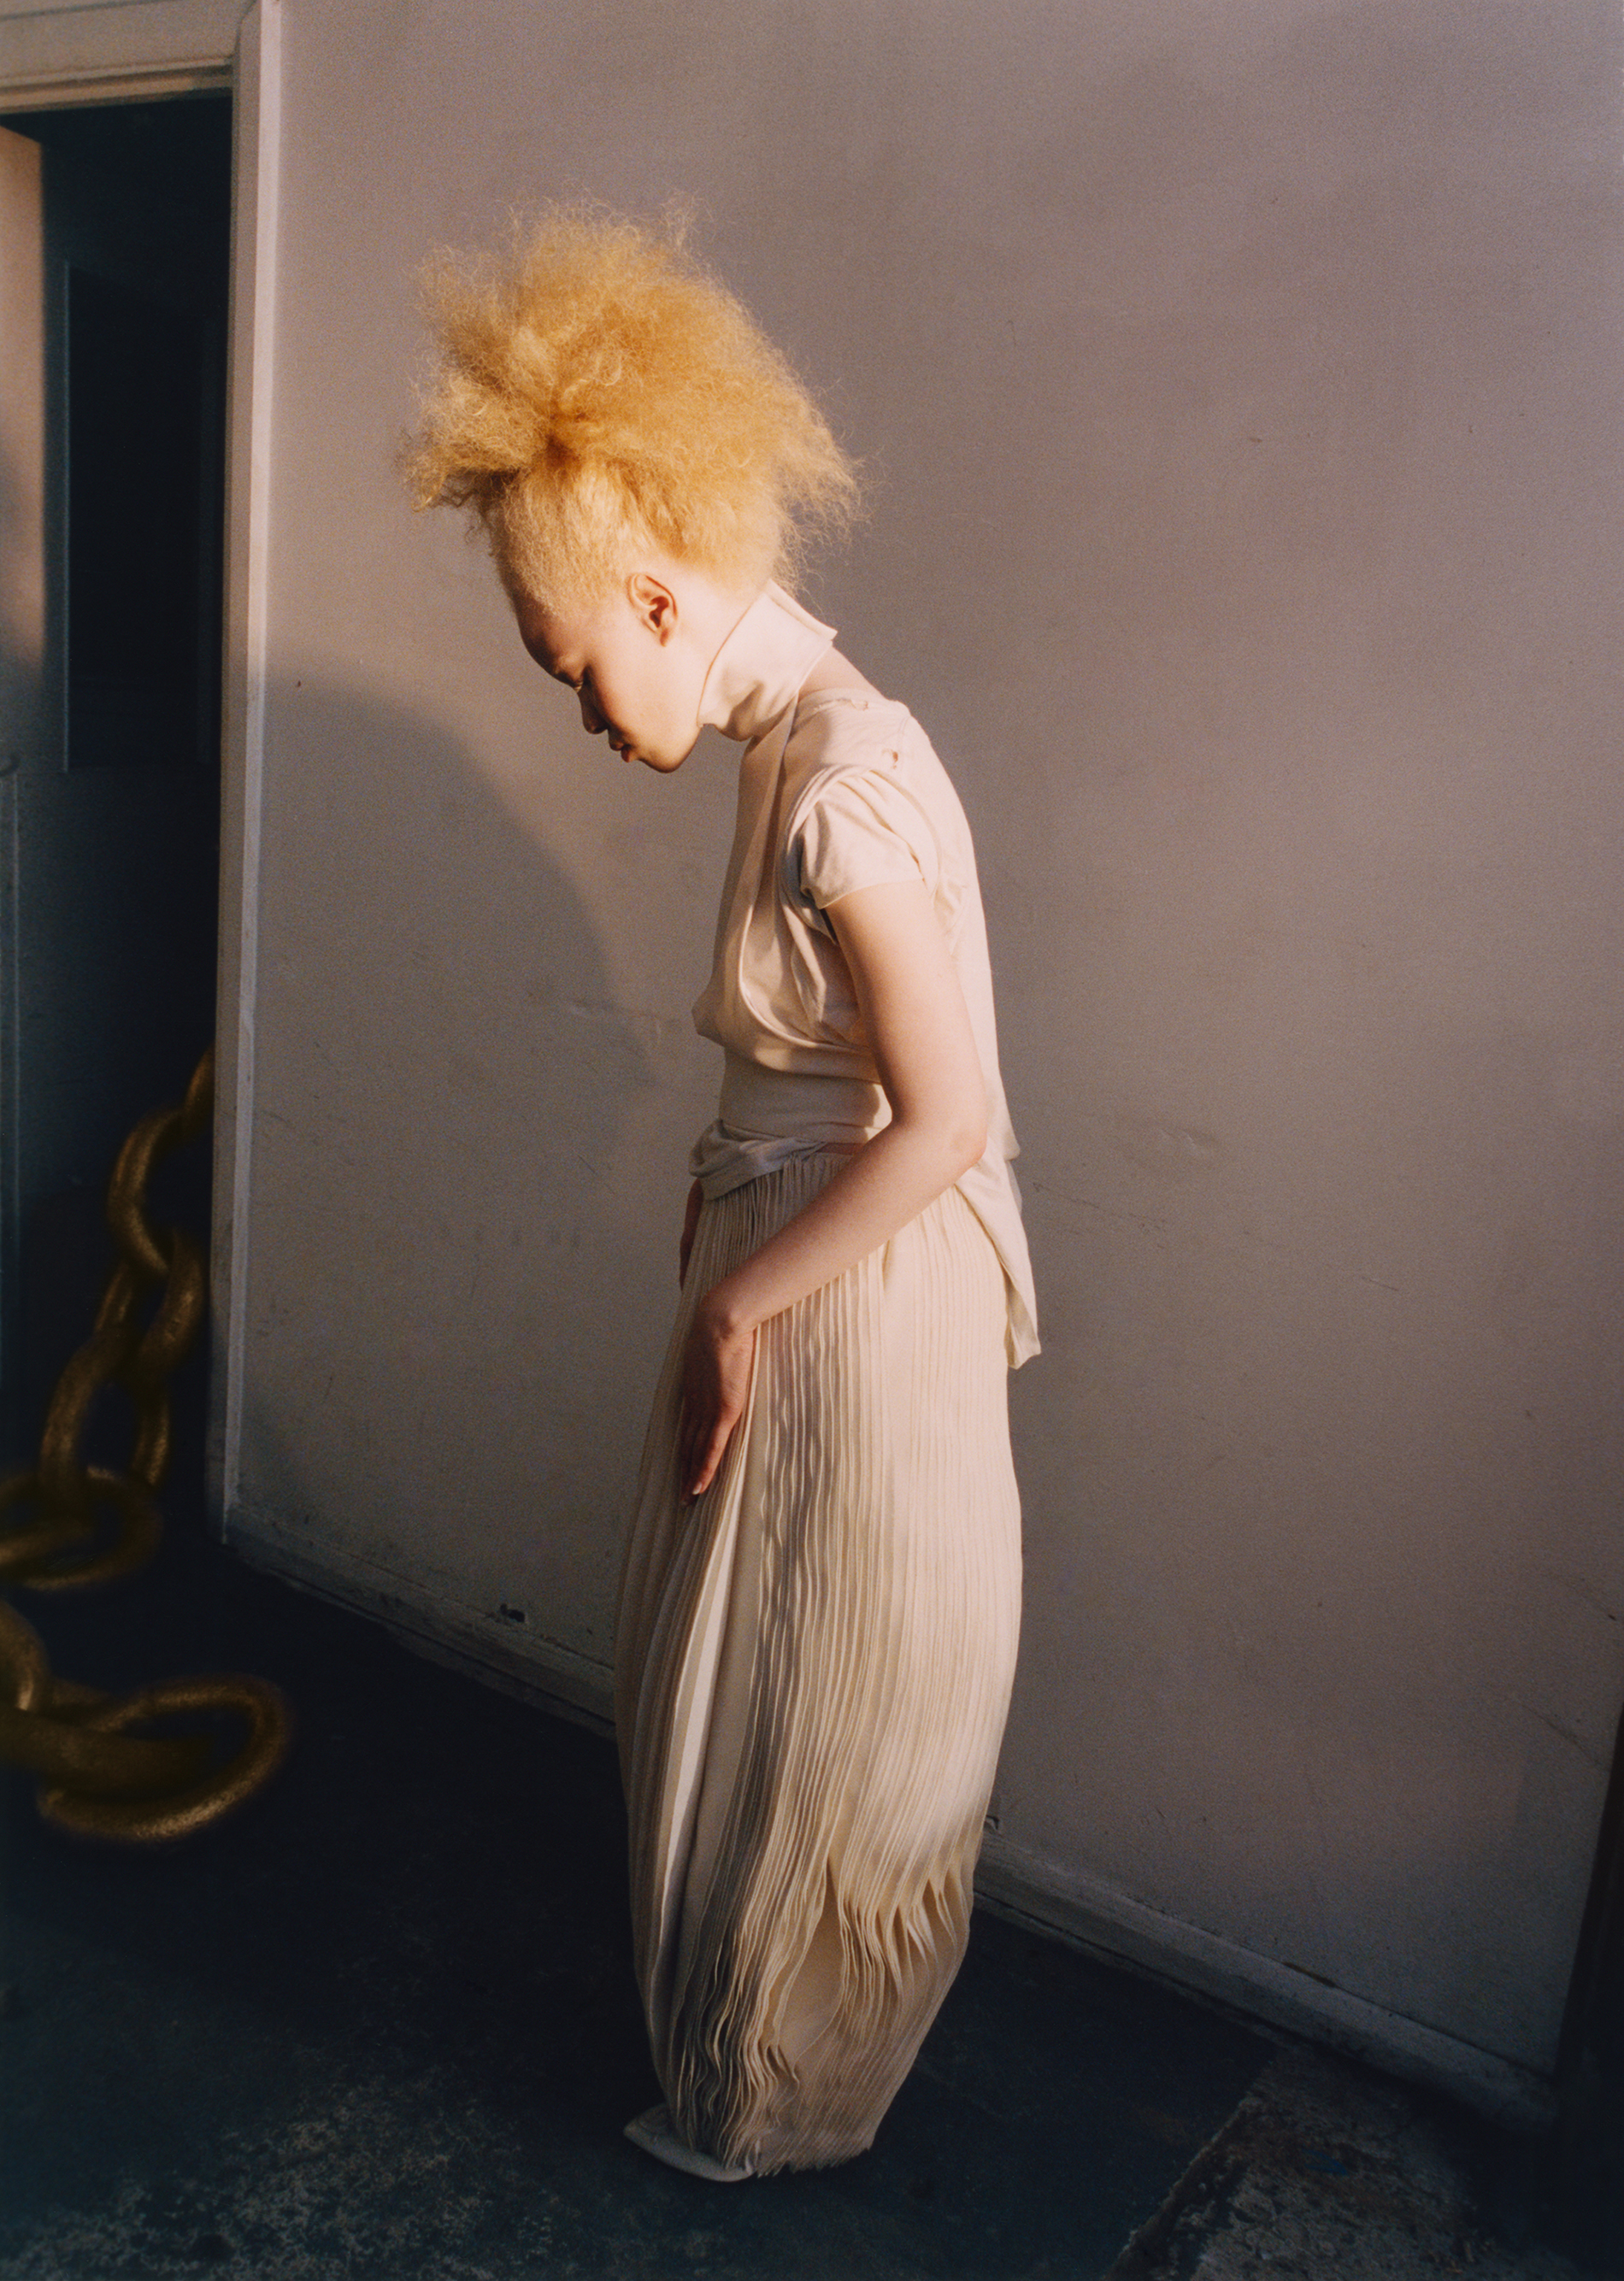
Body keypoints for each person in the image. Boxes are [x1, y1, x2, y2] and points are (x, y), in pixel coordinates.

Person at [407, 209, 1039, 2180]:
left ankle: (766, 2103)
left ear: (656, 594)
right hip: (807, 1278)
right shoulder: (800, 754)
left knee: (804, 1717)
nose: (589, 718)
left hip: (847, 1304)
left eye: (578, 669)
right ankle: (743, 2086)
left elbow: (943, 1119)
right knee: (738, 1692)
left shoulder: (843, 778)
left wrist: (738, 1306)